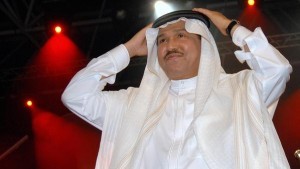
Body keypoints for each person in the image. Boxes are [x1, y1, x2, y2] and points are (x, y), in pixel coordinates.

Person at [61, 8, 292, 169]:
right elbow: (75, 96)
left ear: (205, 45)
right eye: (161, 40)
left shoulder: (240, 90)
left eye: (180, 35)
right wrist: (128, 49)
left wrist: (230, 26)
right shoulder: (133, 104)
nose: (169, 45)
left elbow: (277, 68)